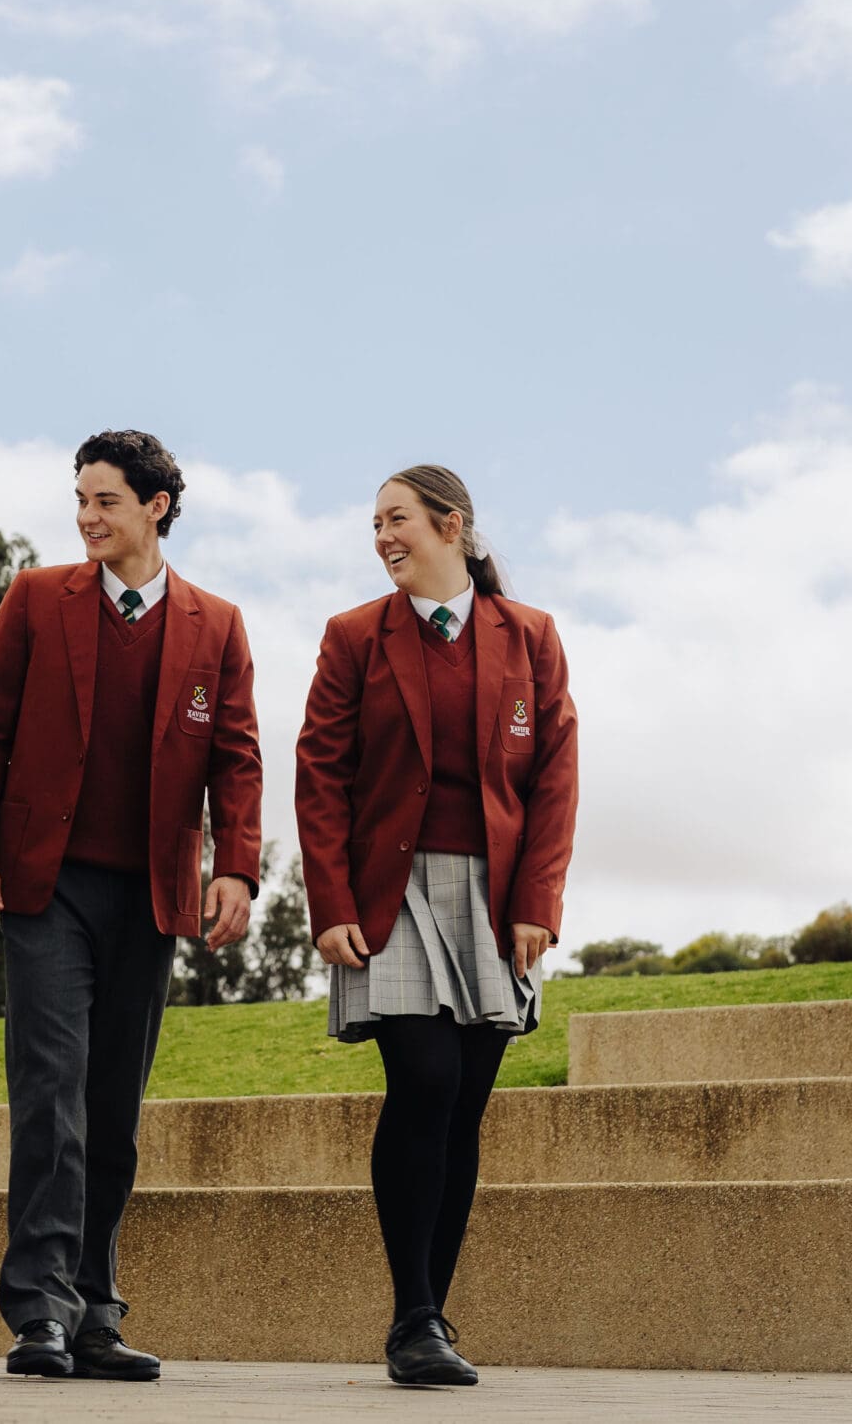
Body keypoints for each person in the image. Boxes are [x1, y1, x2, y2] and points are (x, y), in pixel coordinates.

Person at [0, 429, 265, 1381]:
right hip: (48, 888)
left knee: (113, 1107)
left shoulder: (216, 623)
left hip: (153, 895)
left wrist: (236, 870)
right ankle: (39, 1310)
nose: (87, 517)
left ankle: (94, 1308)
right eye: (79, 500)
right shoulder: (38, 600)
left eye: (106, 501)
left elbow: (237, 760)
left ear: (156, 505)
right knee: (51, 1093)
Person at [293, 464, 577, 1387]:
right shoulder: (352, 638)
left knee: (465, 1103)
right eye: (375, 524)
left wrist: (538, 901)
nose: (383, 537)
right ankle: (412, 1312)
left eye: (399, 519)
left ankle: (431, 1319)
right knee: (424, 1073)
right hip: (391, 891)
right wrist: (331, 903)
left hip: (494, 896)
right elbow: (321, 774)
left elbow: (555, 781)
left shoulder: (529, 636)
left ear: (453, 525)